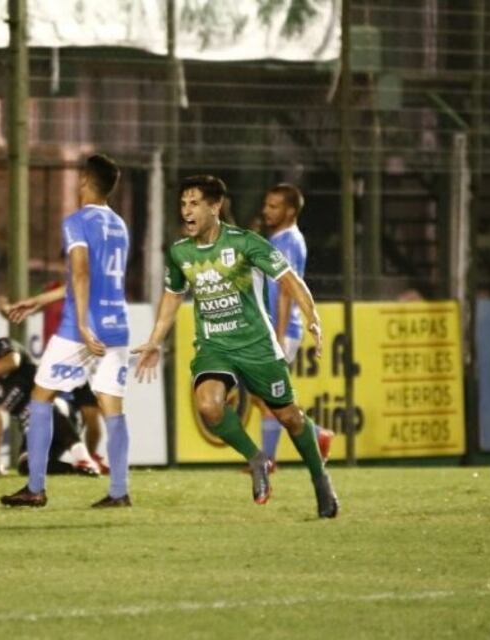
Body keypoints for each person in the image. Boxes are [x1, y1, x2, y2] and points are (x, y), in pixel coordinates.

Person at [133, 175, 338, 518]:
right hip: (215, 346)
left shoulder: (245, 243)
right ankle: (257, 458)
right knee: (209, 406)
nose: (187, 211)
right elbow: (172, 296)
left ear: (215, 207)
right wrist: (156, 339)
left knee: (291, 417)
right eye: (183, 204)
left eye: (194, 203)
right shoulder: (180, 252)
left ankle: (321, 481)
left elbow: (289, 279)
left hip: (257, 346)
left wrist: (312, 315)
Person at [0, 153, 131, 508]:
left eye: (80, 178)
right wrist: (39, 300)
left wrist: (85, 326)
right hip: (117, 326)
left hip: (79, 327)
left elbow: (81, 272)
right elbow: (94, 279)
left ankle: (35, 488)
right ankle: (119, 492)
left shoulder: (76, 221)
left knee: (40, 398)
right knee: (113, 409)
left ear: (86, 182)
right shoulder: (119, 225)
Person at [0, 314, 100, 477]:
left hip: (63, 412)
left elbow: (12, 362)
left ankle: (83, 458)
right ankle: (79, 469)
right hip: (32, 428)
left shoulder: (2, 346)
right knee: (26, 466)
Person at [256, 183, 334, 468]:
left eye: (273, 206)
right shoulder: (279, 239)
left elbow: (287, 290)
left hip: (283, 330)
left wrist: (275, 336)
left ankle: (268, 460)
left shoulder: (288, 241)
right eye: (266, 205)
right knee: (266, 396)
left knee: (267, 396)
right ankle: (318, 435)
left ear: (290, 211)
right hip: (275, 328)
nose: (266, 210)